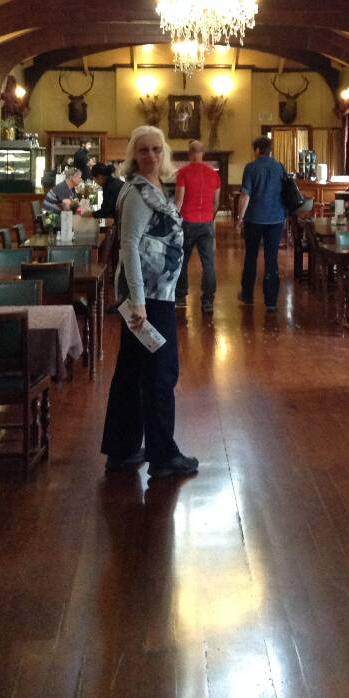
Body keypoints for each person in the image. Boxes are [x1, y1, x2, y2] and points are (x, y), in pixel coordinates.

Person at [101, 125, 198, 479]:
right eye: (143, 150)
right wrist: (139, 302)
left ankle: (123, 449)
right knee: (160, 373)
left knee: (132, 370)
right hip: (148, 299)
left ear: (165, 152)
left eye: (157, 149)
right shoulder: (138, 193)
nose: (151, 156)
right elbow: (128, 247)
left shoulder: (155, 187)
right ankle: (162, 456)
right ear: (133, 155)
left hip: (155, 294)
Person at [236, 135, 287, 312]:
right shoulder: (279, 167)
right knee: (271, 259)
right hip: (276, 219)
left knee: (251, 257)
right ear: (270, 150)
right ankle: (271, 301)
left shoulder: (251, 167)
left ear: (257, 150)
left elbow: (245, 195)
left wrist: (239, 219)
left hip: (254, 219)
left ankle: (248, 295)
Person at [174, 140, 221, 314]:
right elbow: (216, 202)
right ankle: (208, 301)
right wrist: (209, 218)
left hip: (187, 222)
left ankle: (180, 297)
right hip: (206, 223)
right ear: (203, 153)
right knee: (208, 264)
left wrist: (174, 220)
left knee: (182, 261)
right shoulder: (214, 174)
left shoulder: (183, 173)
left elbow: (178, 202)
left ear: (189, 154)